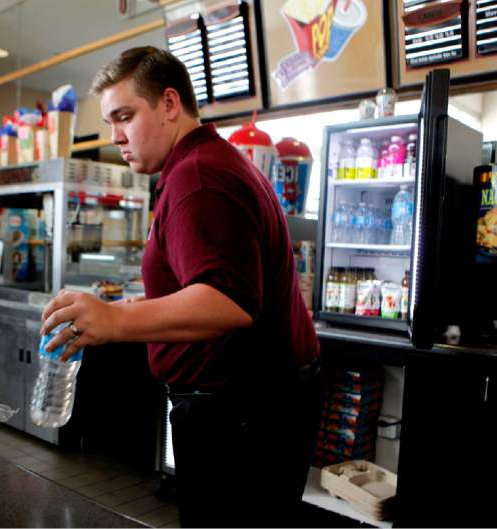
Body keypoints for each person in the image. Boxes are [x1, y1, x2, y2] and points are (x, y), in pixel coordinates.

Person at [40, 46, 321, 528]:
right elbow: (211, 281)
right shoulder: (205, 162)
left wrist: (115, 319)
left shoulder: (198, 176)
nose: (116, 137)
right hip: (258, 407)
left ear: (170, 104)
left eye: (125, 116)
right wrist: (144, 303)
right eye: (110, 123)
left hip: (242, 418)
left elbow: (229, 302)